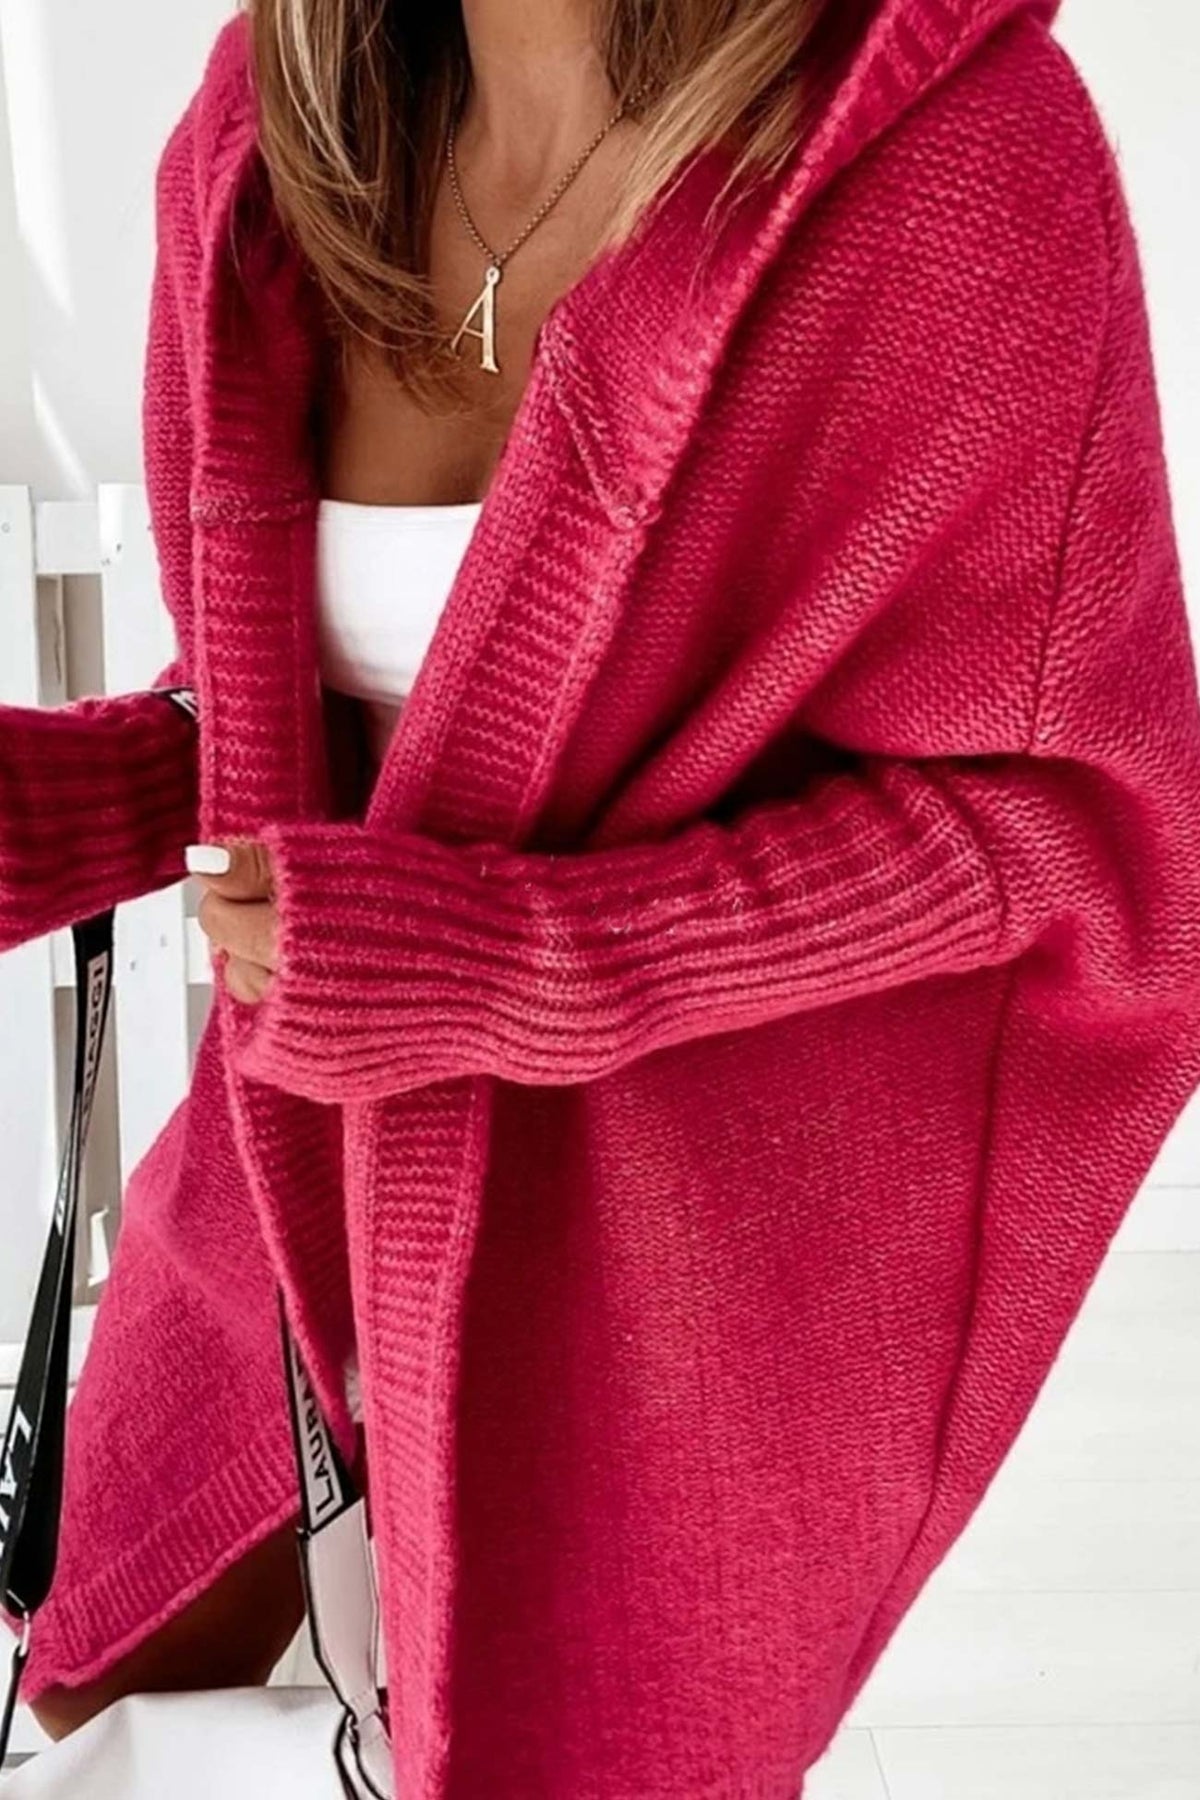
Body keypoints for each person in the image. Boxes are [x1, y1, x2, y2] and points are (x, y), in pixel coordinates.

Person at [3, 0, 1199, 1794]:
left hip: (678, 1256)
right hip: (306, 1145)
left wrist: (520, 961)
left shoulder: (953, 158)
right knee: (93, 1683)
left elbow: (1062, 825)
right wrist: (74, 801)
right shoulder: (268, 150)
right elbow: (327, 707)